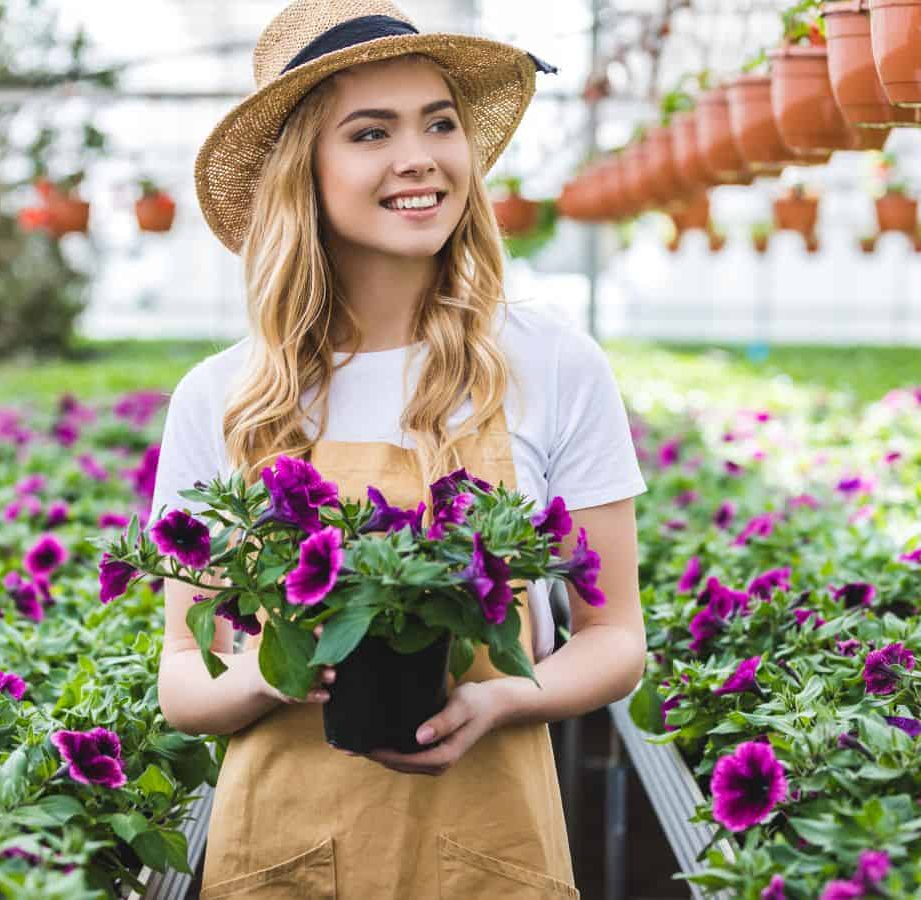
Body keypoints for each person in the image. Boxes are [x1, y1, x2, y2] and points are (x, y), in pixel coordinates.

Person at [150, 1, 648, 895]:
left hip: (490, 853)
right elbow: (183, 680)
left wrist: (500, 700)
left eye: (440, 123)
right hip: (283, 854)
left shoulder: (550, 362)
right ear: (303, 170)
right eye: (371, 131)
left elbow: (614, 638)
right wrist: (276, 673)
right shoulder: (223, 398)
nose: (419, 156)